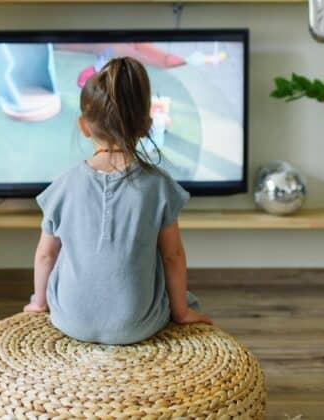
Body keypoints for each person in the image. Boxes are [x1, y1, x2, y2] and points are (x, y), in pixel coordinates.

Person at [24, 56, 212, 345]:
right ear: (147, 125)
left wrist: (39, 304)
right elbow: (173, 256)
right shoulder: (159, 187)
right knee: (180, 291)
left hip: (69, 319)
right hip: (137, 325)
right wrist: (182, 312)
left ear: (84, 126)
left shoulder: (62, 186)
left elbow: (46, 255)